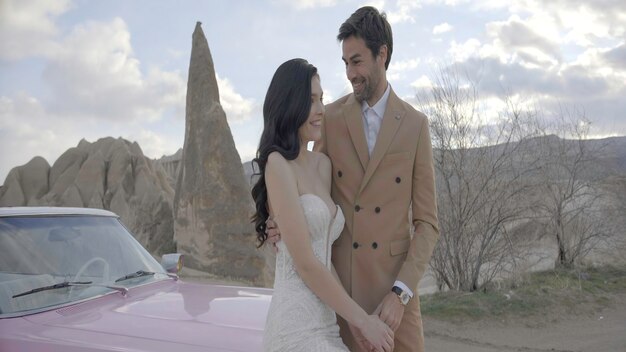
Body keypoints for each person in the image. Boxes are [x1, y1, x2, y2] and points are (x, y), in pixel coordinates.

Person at [267, 6, 439, 352]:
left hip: (395, 298)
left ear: (382, 55)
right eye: (345, 62)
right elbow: (305, 182)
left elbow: (427, 224)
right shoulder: (328, 117)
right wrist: (279, 220)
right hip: (341, 297)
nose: (349, 73)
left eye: (357, 61)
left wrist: (401, 293)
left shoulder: (416, 125)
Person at [251, 58, 394, 352]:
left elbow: (323, 260)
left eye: (322, 99)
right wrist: (365, 321)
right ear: (291, 104)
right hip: (294, 328)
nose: (320, 110)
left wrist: (353, 320)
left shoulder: (323, 165)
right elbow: (304, 262)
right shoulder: (278, 164)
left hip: (326, 325)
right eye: (311, 100)